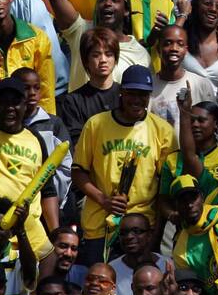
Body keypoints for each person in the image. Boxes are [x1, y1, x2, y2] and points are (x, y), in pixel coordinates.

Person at [72, 66, 178, 265]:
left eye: (143, 94)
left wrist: (155, 231)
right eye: (131, 93)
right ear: (121, 92)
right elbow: (79, 172)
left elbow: (165, 186)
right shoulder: (96, 124)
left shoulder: (162, 130)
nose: (137, 100)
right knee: (102, 284)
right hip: (100, 224)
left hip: (142, 226)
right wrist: (104, 200)